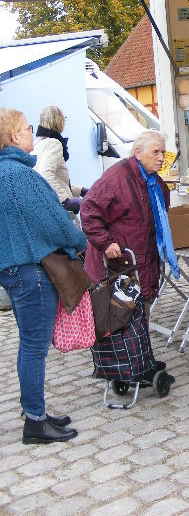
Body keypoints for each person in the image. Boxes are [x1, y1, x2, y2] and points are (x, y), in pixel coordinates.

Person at [0, 108, 86, 444]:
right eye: (25, 128)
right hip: (32, 270)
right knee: (34, 347)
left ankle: (33, 408)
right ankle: (35, 422)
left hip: (11, 270)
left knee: (29, 345)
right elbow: (54, 221)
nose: (30, 132)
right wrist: (79, 241)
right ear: (13, 137)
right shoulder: (20, 176)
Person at [81, 129, 179, 322]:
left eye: (163, 153)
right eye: (156, 152)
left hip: (144, 261)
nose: (161, 158)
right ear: (138, 152)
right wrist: (106, 243)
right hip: (123, 263)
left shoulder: (155, 183)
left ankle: (141, 351)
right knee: (122, 321)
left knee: (142, 318)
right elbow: (89, 209)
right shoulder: (119, 176)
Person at [33, 105, 88, 217]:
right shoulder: (54, 144)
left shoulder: (37, 143)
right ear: (59, 121)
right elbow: (44, 176)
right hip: (59, 213)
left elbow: (58, 181)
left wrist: (81, 190)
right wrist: (66, 201)